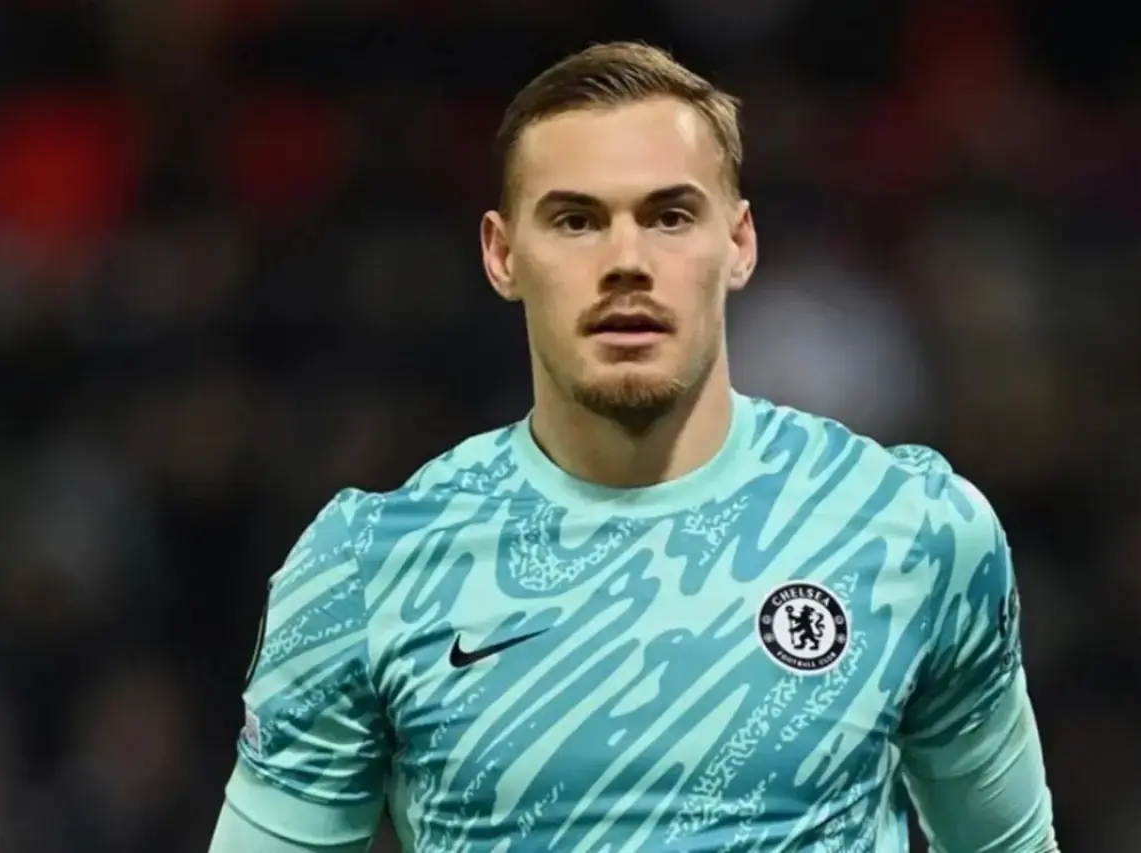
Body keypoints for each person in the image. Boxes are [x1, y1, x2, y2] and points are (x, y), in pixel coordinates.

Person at [208, 41, 1059, 853]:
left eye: (670, 216)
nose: (627, 261)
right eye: (576, 220)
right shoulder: (367, 571)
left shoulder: (911, 530)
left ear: (739, 243)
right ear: (502, 255)